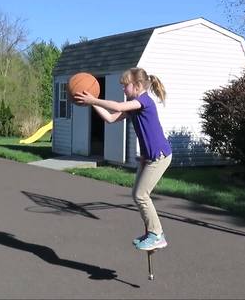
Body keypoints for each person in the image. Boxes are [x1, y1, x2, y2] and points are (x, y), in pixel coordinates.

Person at [74, 67, 172, 251]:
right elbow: (110, 118)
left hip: (159, 156)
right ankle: (153, 232)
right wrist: (92, 104)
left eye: (125, 86)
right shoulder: (135, 105)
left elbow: (117, 107)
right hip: (148, 157)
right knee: (138, 194)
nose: (122, 89)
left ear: (137, 86)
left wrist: (94, 98)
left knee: (141, 195)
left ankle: (157, 234)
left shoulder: (144, 101)